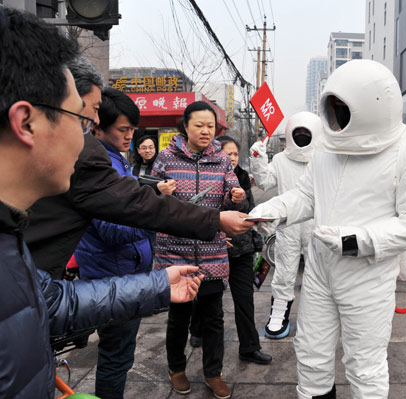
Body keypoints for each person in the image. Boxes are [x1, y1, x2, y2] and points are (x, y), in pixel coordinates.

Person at [0, 8, 204, 398]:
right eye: (79, 119)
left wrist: (158, 283)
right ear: (26, 123)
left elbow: (50, 302)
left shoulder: (10, 239)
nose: (85, 137)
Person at [249, 60, 406, 399]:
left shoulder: (403, 158)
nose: (336, 116)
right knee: (310, 353)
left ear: (372, 108)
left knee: (365, 365)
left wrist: (358, 241)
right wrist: (273, 210)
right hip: (321, 273)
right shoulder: (326, 150)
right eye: (333, 107)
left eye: (343, 108)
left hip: (366, 277)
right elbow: (307, 196)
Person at [23, 57, 253, 280]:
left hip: (135, 272)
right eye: (92, 110)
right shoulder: (88, 158)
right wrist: (197, 222)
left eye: (210, 126)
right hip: (110, 275)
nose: (94, 120)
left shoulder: (110, 159)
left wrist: (232, 201)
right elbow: (137, 209)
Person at [152, 101, 245, 398]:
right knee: (178, 317)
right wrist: (157, 191)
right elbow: (148, 197)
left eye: (210, 126)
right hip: (174, 252)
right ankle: (176, 368)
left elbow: (232, 203)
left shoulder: (222, 160)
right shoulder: (166, 157)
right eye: (199, 125)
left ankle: (213, 373)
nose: (206, 131)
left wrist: (237, 197)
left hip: (212, 252)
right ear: (185, 126)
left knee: (213, 318)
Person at [73, 89, 157, 399]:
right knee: (115, 356)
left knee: (120, 353)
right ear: (97, 124)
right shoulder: (99, 165)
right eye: (124, 129)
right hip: (112, 279)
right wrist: (154, 216)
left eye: (133, 130)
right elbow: (111, 228)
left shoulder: (115, 161)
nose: (130, 137)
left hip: (124, 273)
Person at [190, 135, 271, 366]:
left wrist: (257, 246)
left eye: (235, 153)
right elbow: (200, 216)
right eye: (228, 153)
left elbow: (252, 213)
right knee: (207, 299)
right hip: (214, 251)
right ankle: (197, 329)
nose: (232, 158)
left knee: (244, 301)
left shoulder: (244, 179)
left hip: (241, 251)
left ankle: (249, 347)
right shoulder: (208, 179)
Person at [249, 111, 322, 339]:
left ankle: (317, 318)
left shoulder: (326, 158)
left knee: (318, 273)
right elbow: (264, 181)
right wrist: (257, 160)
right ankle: (278, 314)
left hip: (317, 225)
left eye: (306, 132)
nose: (301, 136)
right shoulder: (281, 160)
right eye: (297, 132)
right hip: (288, 225)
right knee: (284, 271)